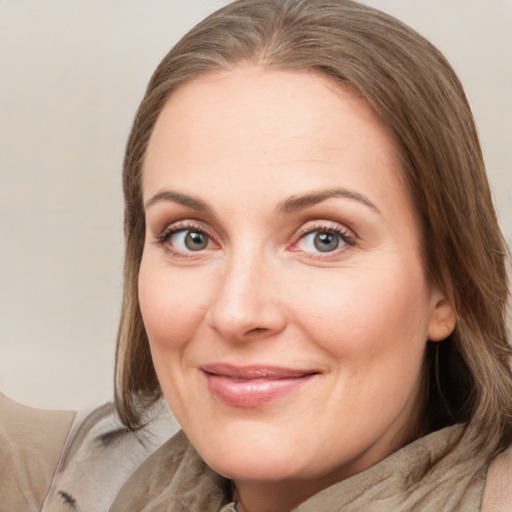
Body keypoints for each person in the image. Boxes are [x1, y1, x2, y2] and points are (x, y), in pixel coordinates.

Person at [2, 0, 512, 511]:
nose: (237, 312)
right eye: (191, 237)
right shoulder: (55, 480)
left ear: (448, 284)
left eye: (323, 239)